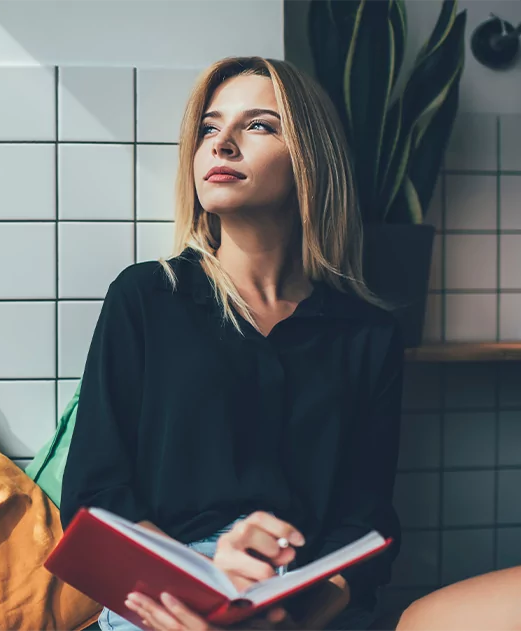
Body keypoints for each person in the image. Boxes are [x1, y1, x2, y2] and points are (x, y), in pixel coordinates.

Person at [60, 55, 405, 631]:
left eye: (259, 125)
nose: (221, 145)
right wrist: (196, 592)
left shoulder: (367, 336)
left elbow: (368, 525)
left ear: (309, 159)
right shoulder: (147, 297)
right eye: (209, 129)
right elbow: (96, 495)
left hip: (294, 607)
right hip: (157, 604)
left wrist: (292, 618)